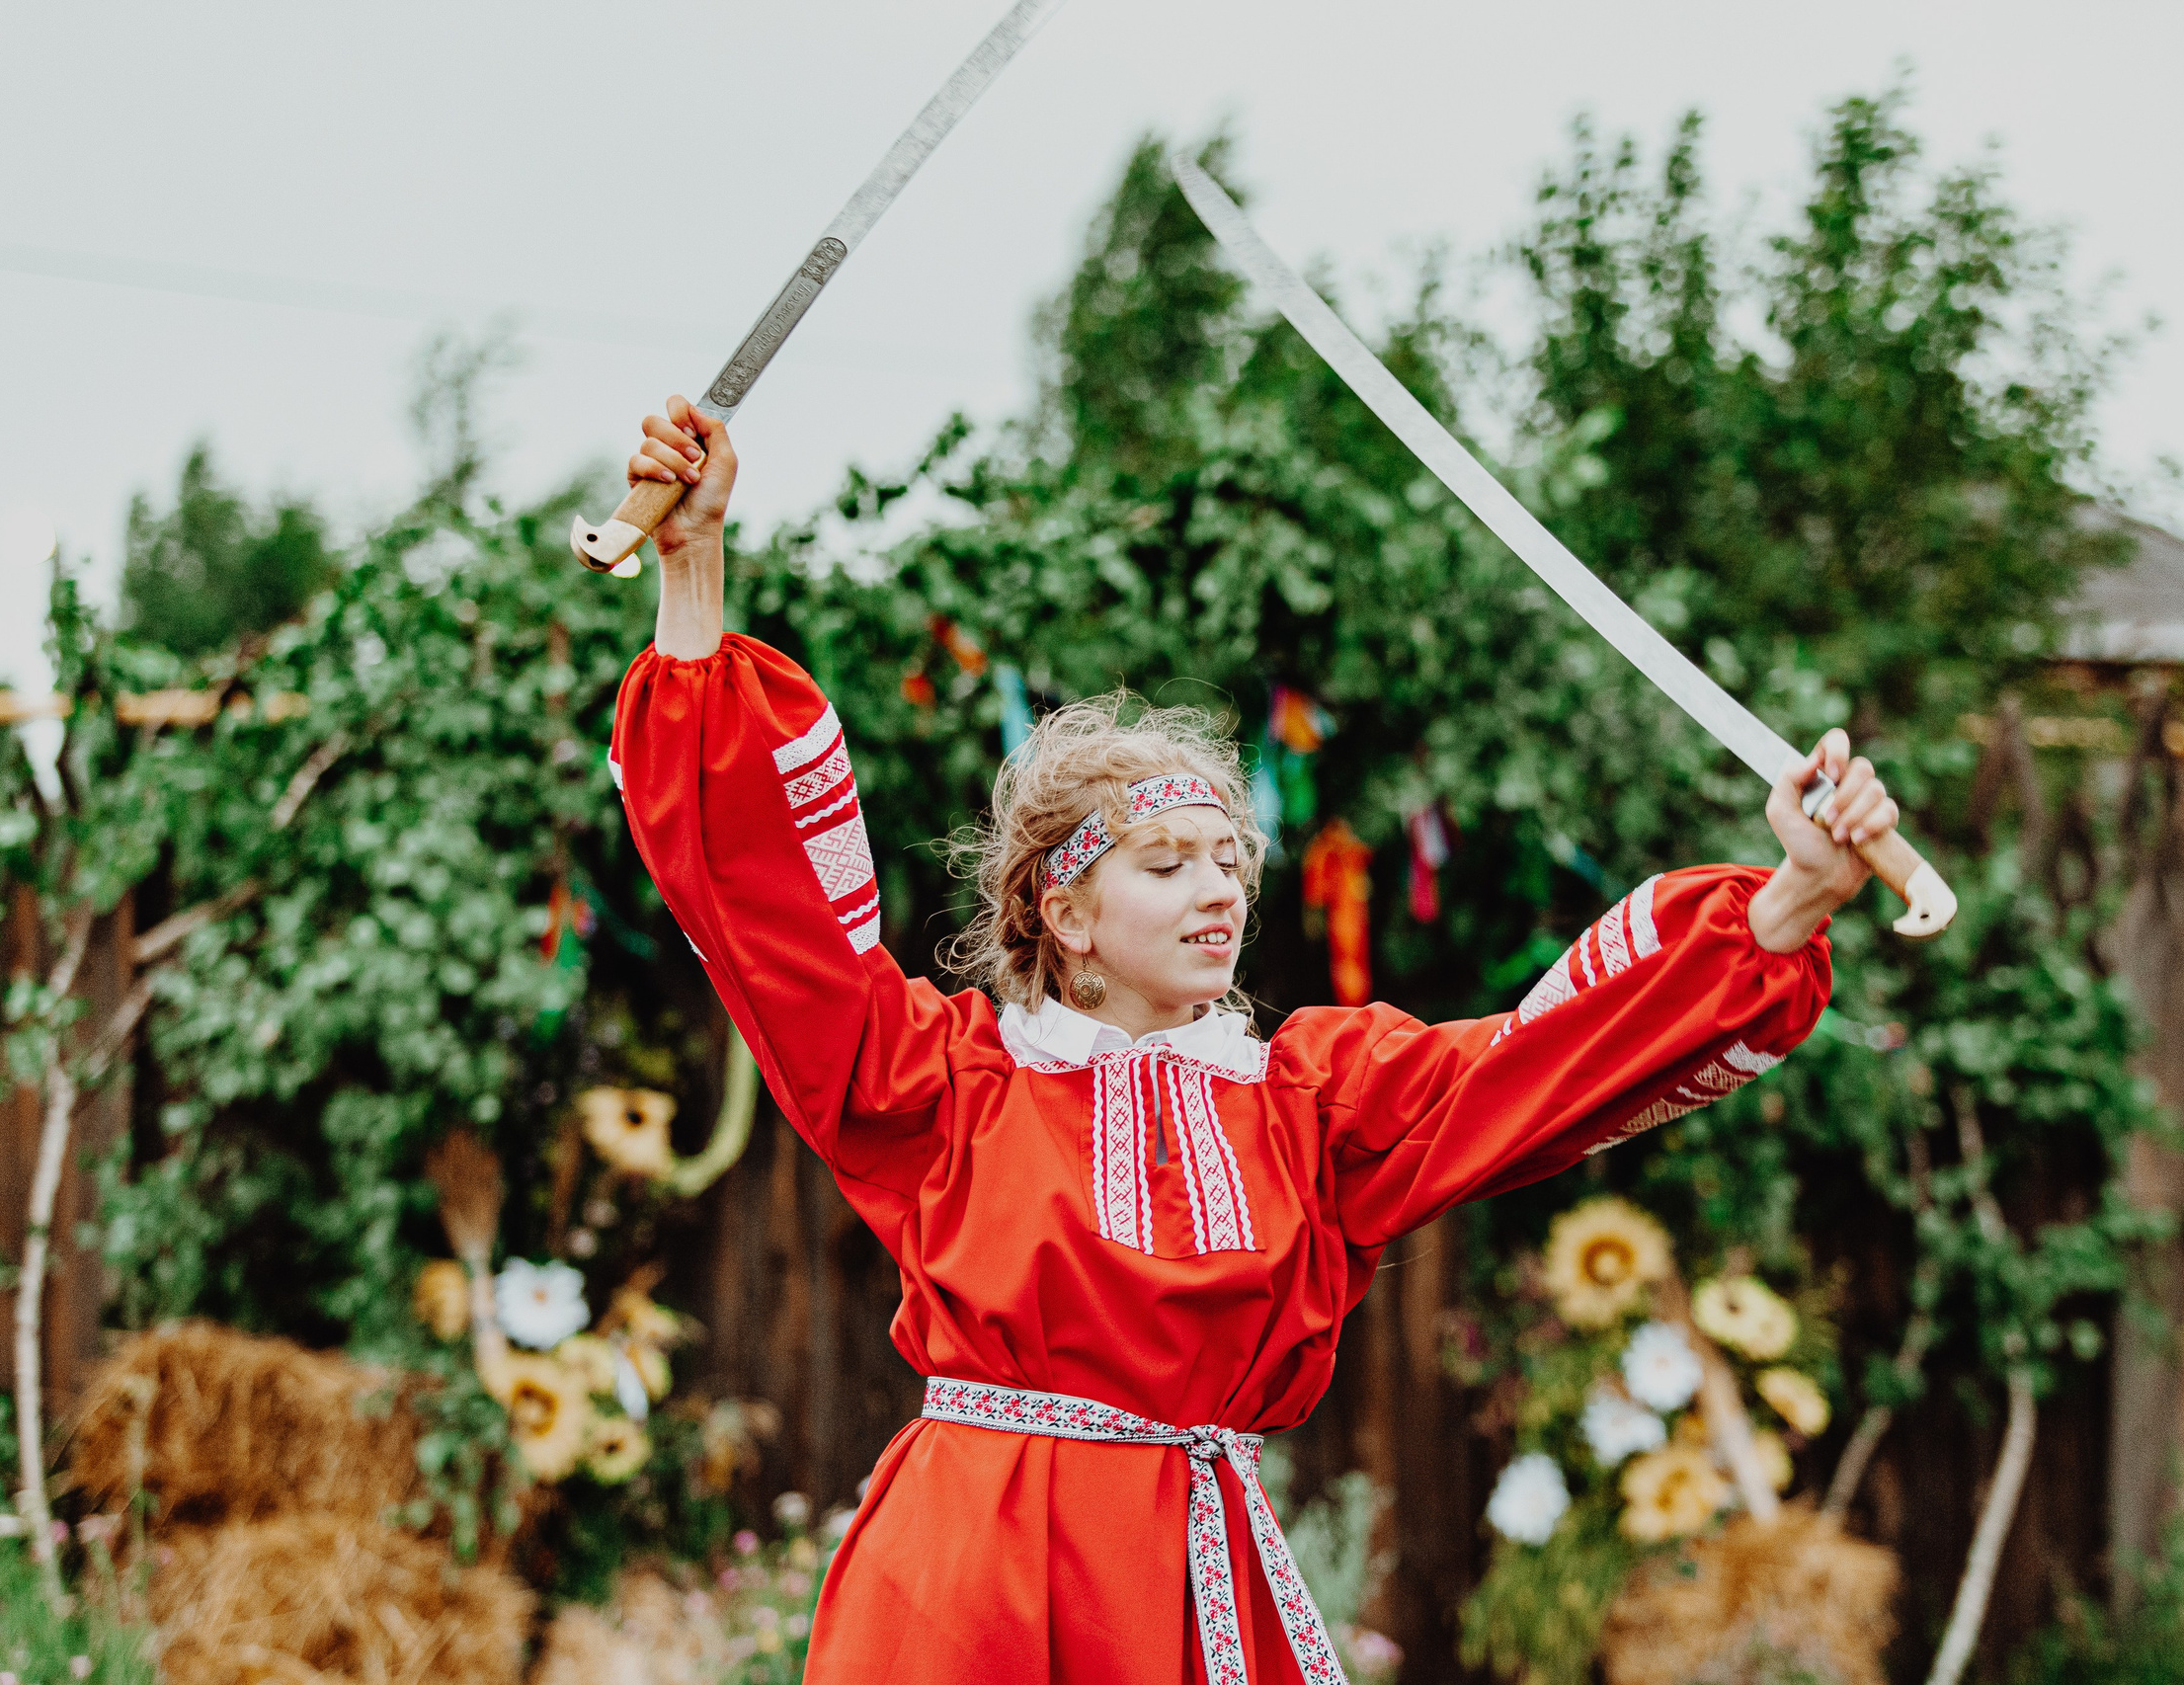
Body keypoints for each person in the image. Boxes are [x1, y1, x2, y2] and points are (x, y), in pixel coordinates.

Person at [607, 396, 1902, 1685]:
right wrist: (695, 562)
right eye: (1168, 864)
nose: (1220, 890)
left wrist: (1786, 902)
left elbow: (1538, 1064)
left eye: (1231, 861)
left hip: (1189, 1591)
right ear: (1065, 910)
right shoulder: (946, 1084)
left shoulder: (1312, 1101)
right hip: (974, 1598)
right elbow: (773, 915)